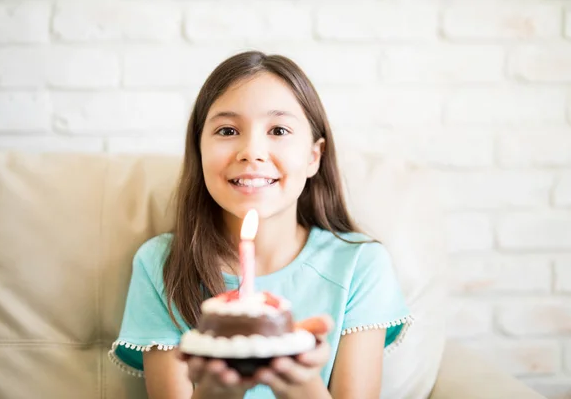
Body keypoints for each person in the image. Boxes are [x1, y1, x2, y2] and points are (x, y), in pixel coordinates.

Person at [108, 50, 413, 399]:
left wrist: (299, 379)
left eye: (279, 130)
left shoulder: (359, 265)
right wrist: (216, 388)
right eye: (227, 130)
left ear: (314, 156)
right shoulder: (161, 264)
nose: (252, 151)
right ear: (199, 149)